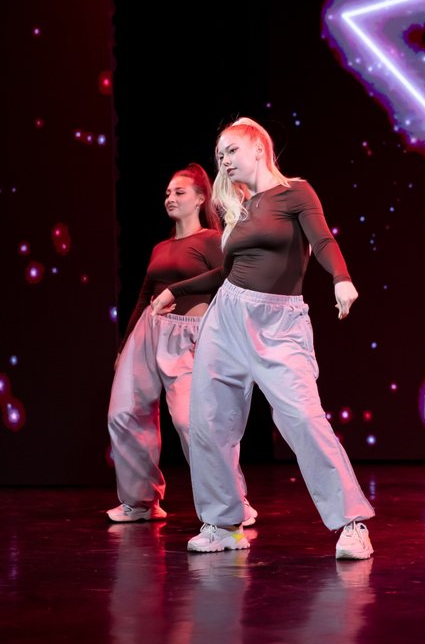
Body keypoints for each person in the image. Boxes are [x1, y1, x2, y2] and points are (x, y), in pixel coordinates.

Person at [151, 120, 375, 558]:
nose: (225, 161)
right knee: (209, 422)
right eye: (220, 156)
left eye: (231, 150)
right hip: (226, 317)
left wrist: (341, 279)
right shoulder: (241, 207)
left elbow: (323, 240)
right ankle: (222, 524)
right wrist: (177, 290)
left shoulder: (295, 192)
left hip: (279, 323)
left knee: (303, 417)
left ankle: (352, 524)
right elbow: (229, 273)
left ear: (258, 147)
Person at [107, 163, 257, 525]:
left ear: (201, 198)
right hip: (148, 332)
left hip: (190, 335)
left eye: (179, 192)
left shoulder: (212, 240)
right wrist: (124, 346)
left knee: (193, 422)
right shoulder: (161, 247)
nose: (170, 198)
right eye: (167, 193)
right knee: (123, 414)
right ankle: (141, 502)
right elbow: (144, 295)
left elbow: (231, 281)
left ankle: (232, 503)